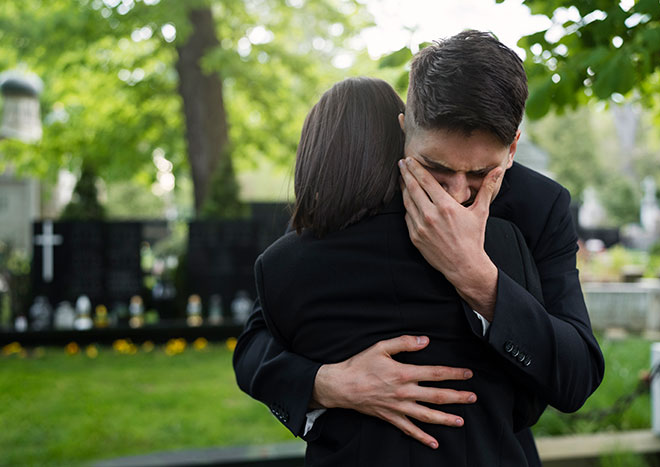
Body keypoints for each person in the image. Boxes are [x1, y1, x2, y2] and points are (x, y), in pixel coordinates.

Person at [234, 30, 605, 465]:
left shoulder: (541, 206)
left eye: (481, 173)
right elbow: (257, 341)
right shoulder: (361, 192)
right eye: (436, 168)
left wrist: (475, 277)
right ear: (404, 127)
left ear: (513, 148)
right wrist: (328, 383)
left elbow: (576, 376)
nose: (456, 194)